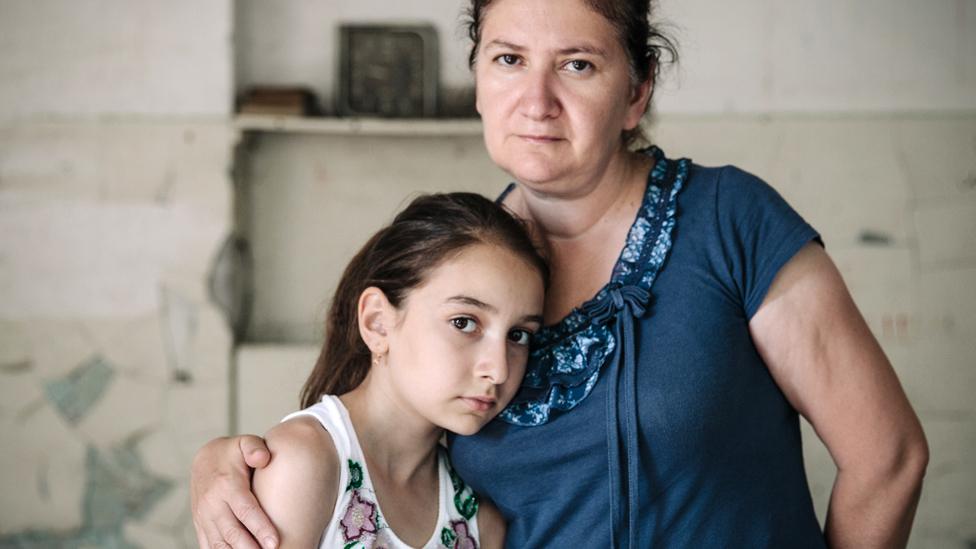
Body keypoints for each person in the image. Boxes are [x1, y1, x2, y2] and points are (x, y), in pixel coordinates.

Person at [191, 0, 929, 547]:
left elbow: (888, 457)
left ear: (636, 92)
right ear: (478, 78)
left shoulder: (729, 218)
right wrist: (232, 465)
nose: (536, 102)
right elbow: (372, 436)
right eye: (509, 59)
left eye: (578, 65)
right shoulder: (463, 260)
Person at [234, 192, 547, 548]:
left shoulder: (478, 521)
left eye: (518, 335)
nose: (499, 369)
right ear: (378, 323)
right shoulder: (304, 462)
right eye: (464, 322)